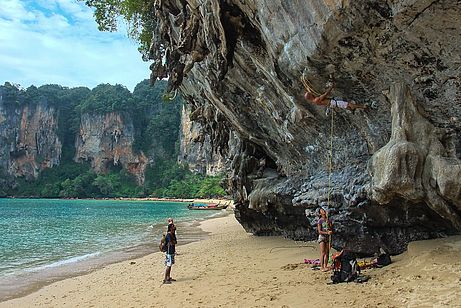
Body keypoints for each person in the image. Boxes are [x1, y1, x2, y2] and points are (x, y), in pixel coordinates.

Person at [304, 83, 368, 111]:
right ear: (310, 95)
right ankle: (363, 106)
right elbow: (326, 94)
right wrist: (331, 87)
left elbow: (310, 93)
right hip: (334, 103)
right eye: (310, 93)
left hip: (333, 103)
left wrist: (307, 88)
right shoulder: (316, 99)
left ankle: (352, 109)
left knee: (346, 105)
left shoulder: (313, 100)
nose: (312, 93)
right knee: (348, 104)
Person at [317, 207, 333, 271]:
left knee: (327, 252)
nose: (323, 211)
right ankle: (322, 267)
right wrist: (327, 232)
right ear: (320, 213)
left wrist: (330, 226)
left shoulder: (328, 220)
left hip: (327, 237)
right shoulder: (320, 221)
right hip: (322, 237)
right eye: (322, 210)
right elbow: (319, 231)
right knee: (323, 252)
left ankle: (326, 266)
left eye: (323, 210)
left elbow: (331, 229)